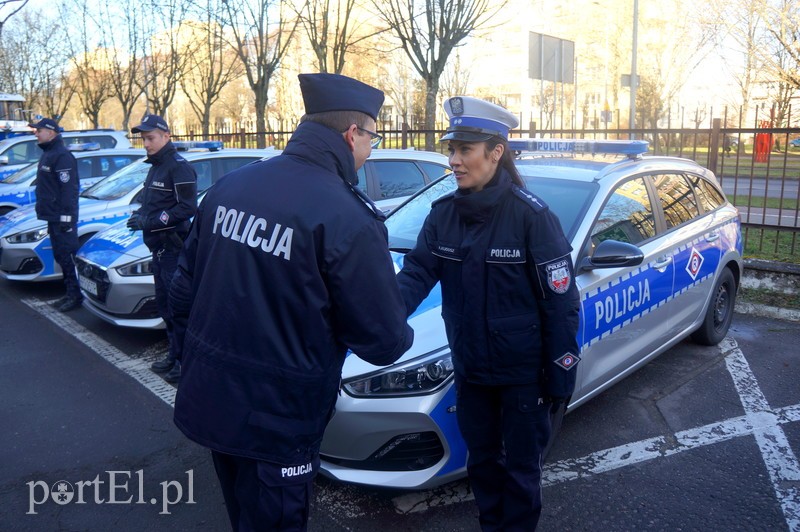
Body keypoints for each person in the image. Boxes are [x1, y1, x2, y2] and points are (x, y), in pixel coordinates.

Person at [169, 73, 414, 531]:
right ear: (351, 134)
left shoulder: (232, 187)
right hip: (278, 422)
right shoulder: (347, 217)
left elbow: (183, 290)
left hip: (213, 400)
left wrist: (192, 361)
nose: (369, 153)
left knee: (242, 513)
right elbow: (382, 342)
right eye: (372, 140)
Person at [396, 96, 581, 531]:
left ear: (495, 152)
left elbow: (561, 305)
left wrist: (561, 376)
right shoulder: (442, 215)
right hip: (472, 371)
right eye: (451, 150)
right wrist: (379, 317)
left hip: (523, 377)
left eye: (465, 150)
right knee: (481, 463)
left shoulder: (532, 218)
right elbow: (416, 274)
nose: (454, 161)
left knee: (520, 473)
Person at [126, 114, 197, 384]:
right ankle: (173, 354)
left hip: (173, 249)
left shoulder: (178, 166)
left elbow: (188, 208)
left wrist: (152, 221)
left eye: (150, 138)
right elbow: (153, 202)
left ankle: (184, 363)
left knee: (179, 310)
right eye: (143, 138)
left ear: (166, 136)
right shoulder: (155, 166)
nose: (145, 143)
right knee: (166, 307)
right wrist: (140, 216)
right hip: (157, 249)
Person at [29, 118, 82, 312]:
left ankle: (75, 296)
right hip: (53, 217)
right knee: (60, 256)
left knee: (68, 256)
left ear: (51, 132)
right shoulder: (49, 154)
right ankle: (69, 293)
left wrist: (67, 220)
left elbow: (69, 190)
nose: (36, 133)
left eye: (39, 130)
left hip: (62, 219)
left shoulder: (62, 156)